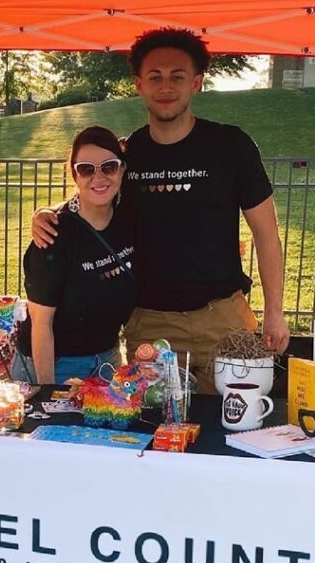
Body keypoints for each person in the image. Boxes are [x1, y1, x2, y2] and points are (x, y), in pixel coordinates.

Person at [33, 26, 290, 394]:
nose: (165, 86)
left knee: (229, 428)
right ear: (139, 85)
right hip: (151, 326)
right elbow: (95, 189)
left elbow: (267, 234)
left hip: (223, 319)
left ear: (196, 83)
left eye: (177, 76)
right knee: (154, 435)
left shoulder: (231, 146)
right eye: (155, 76)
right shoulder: (130, 152)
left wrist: (275, 312)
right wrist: (47, 213)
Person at [12, 126, 136, 384]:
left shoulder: (128, 220)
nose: (98, 178)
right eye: (86, 169)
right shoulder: (54, 234)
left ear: (122, 169)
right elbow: (41, 323)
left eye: (109, 167)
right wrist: (48, 394)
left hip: (108, 359)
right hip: (56, 364)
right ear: (74, 176)